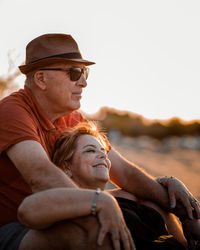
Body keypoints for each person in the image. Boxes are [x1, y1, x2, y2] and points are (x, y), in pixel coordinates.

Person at [0, 33, 199, 249]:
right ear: (41, 79)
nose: (83, 82)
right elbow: (41, 175)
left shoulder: (71, 118)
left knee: (147, 203)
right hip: (17, 224)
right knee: (94, 231)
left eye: (85, 72)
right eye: (75, 73)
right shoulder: (13, 111)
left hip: (60, 208)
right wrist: (96, 205)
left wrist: (182, 208)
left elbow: (124, 172)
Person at [17, 121, 200, 249]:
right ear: (66, 167)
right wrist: (101, 201)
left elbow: (151, 193)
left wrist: (169, 181)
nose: (103, 156)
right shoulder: (66, 206)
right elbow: (28, 211)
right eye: (90, 150)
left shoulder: (126, 196)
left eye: (103, 151)